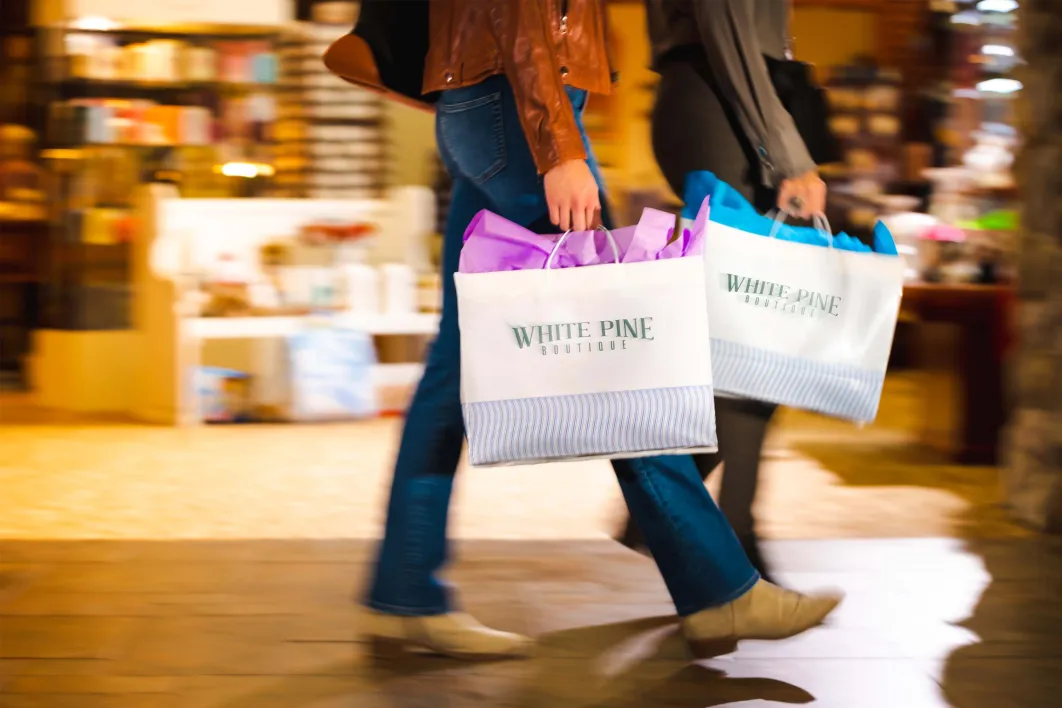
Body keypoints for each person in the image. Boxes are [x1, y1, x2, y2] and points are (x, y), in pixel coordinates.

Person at [357, 0, 841, 660]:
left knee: (457, 359)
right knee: (622, 349)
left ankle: (403, 589)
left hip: (480, 101)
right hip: (523, 110)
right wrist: (557, 145)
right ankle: (717, 589)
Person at [618, 0, 829, 583]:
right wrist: (788, 152)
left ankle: (664, 510)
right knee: (755, 333)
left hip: (725, 107)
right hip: (721, 109)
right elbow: (729, 32)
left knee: (759, 335)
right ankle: (733, 534)